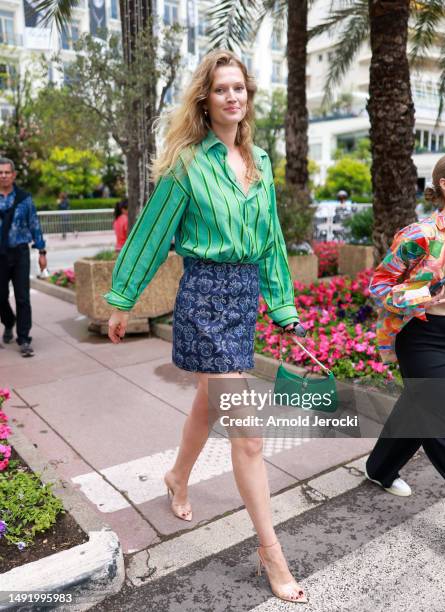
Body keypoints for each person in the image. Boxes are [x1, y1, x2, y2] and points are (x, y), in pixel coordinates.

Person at [105, 50, 307, 603]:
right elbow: (150, 234)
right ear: (206, 99)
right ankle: (272, 554)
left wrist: (283, 308)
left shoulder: (260, 162)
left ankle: (176, 475)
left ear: (248, 97)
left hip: (243, 299)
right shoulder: (187, 164)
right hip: (204, 299)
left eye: (239, 88)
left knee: (208, 402)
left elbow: (269, 242)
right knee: (248, 433)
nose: (232, 97)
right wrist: (122, 300)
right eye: (221, 89)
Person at [365, 149, 445, 501]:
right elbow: (380, 285)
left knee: (419, 405)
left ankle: (379, 467)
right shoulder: (421, 235)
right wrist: (419, 297)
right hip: (423, 336)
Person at [0, 157, 47, 357]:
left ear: (14, 175)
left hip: (20, 253)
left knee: (22, 297)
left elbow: (34, 225)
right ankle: (9, 322)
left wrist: (42, 252)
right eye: (0, 173)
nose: (3, 176)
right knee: (0, 296)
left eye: (7, 172)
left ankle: (24, 338)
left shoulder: (25, 199)